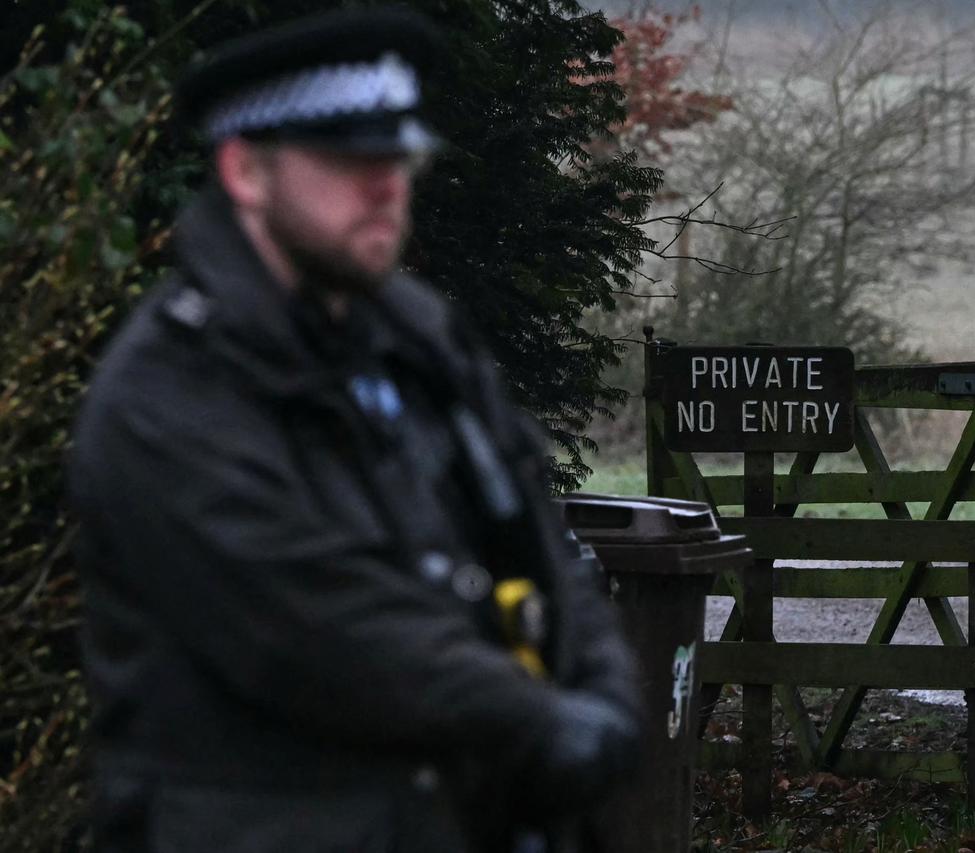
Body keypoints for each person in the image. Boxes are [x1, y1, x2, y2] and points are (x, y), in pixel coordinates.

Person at [67, 8, 641, 852]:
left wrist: (606, 692)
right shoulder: (165, 393)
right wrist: (548, 726)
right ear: (245, 171)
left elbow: (539, 534)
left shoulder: (418, 334)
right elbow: (327, 632)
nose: (388, 185)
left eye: (400, 156)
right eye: (349, 159)